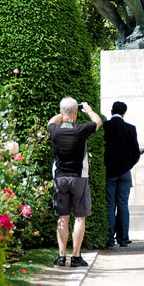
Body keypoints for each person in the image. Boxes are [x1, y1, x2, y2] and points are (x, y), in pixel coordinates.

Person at [47, 97, 102, 267]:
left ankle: (61, 256)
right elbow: (98, 121)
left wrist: (65, 111)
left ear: (62, 112)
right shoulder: (81, 129)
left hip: (60, 178)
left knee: (62, 218)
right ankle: (76, 256)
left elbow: (51, 121)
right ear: (76, 113)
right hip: (79, 178)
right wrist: (88, 110)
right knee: (79, 217)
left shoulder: (54, 130)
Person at [103, 101, 143, 247]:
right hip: (125, 172)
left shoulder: (105, 127)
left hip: (110, 172)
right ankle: (123, 239)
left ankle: (109, 238)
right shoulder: (130, 128)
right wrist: (128, 165)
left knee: (109, 204)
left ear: (112, 111)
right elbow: (135, 152)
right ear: (124, 113)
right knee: (123, 205)